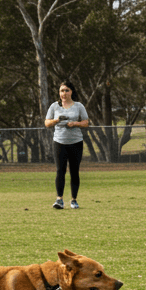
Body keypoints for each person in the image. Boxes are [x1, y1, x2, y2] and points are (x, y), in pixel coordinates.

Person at [45, 81, 88, 209]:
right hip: (59, 142)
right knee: (60, 171)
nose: (64, 93)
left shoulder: (79, 106)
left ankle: (74, 200)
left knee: (74, 171)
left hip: (76, 143)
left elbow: (86, 122)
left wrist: (75, 124)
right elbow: (47, 123)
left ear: (72, 92)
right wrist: (56, 120)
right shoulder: (54, 106)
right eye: (61, 91)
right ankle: (59, 200)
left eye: (66, 90)